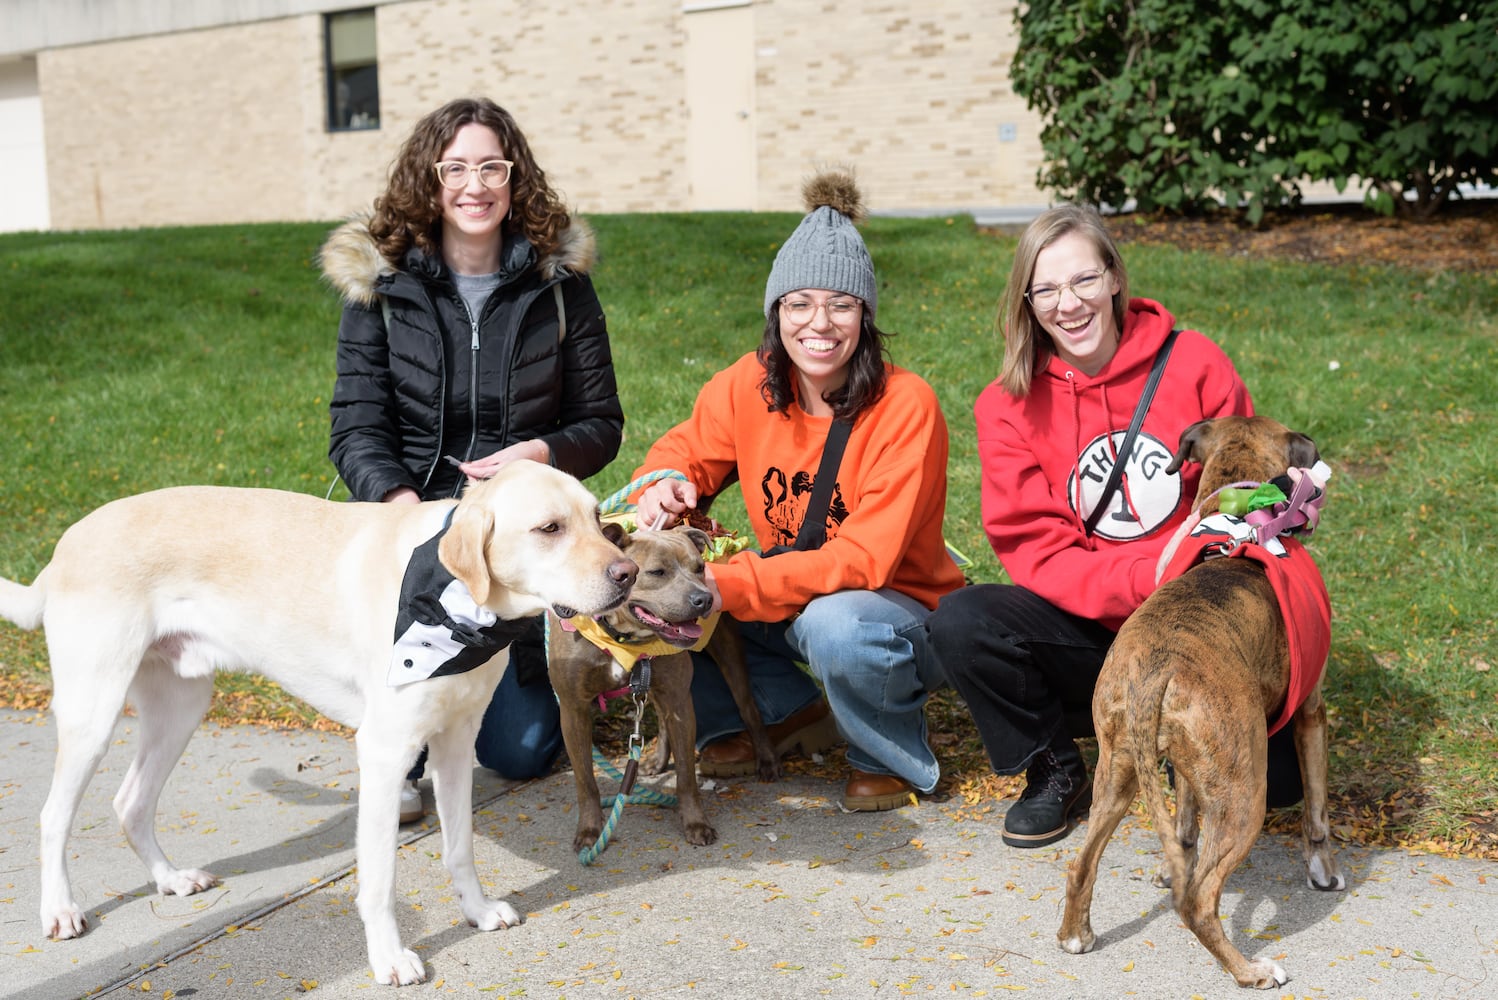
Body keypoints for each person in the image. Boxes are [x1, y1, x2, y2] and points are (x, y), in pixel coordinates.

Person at [925, 203, 1302, 849]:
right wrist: (1151, 575)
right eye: (1046, 289)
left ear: (1115, 278)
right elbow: (1037, 549)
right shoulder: (1007, 405)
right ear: (1027, 303)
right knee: (963, 622)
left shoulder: (1194, 362)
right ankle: (1054, 766)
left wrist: (1194, 574)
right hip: (1093, 627)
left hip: (1198, 622)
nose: (1068, 303)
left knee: (1282, 788)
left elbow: (1239, 490)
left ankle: (1177, 729)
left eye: (1083, 280)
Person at [320, 97, 624, 822]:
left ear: (516, 178)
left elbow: (602, 423)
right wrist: (404, 513)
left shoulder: (560, 287)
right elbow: (355, 427)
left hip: (520, 537)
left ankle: (474, 702)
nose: (474, 185)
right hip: (412, 526)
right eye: (454, 168)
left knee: (520, 749)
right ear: (428, 180)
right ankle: (399, 741)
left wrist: (540, 452)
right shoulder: (382, 288)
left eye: (492, 167)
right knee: (406, 724)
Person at [633, 171, 965, 812]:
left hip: (898, 611)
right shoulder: (750, 382)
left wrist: (728, 584)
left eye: (841, 305)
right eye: (800, 304)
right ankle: (781, 713)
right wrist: (668, 480)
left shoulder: (906, 405)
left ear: (865, 316)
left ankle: (885, 754)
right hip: (796, 594)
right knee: (662, 592)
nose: (820, 323)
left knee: (835, 624)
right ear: (777, 312)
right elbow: (686, 448)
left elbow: (863, 562)